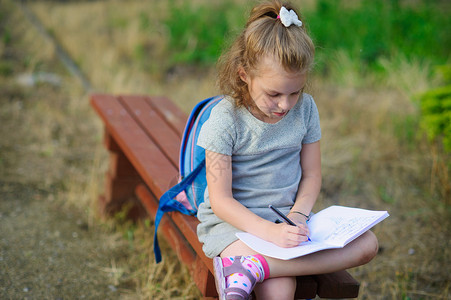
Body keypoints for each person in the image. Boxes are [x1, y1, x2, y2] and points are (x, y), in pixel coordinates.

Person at [196, 1, 379, 299]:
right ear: (244, 74)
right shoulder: (225, 119)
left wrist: (297, 215)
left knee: (368, 244)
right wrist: (269, 234)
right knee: (282, 289)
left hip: (287, 221)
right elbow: (221, 201)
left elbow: (311, 175)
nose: (285, 104)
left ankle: (254, 267)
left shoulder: (305, 110)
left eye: (295, 91)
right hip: (234, 227)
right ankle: (251, 263)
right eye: (274, 94)